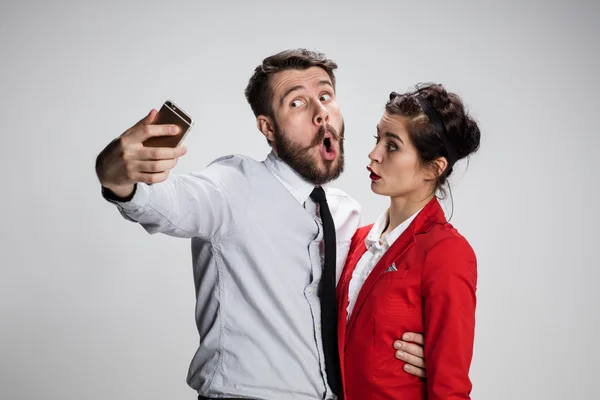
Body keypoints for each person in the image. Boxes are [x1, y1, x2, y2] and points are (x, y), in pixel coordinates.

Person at [95, 49, 427, 400]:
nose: (320, 114)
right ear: (267, 127)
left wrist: (402, 348)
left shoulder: (346, 214)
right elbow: (164, 202)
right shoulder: (234, 186)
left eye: (325, 96)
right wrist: (116, 175)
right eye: (297, 103)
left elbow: (356, 310)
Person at [337, 83, 480, 399]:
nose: (373, 155)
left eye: (392, 146)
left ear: (434, 167)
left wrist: (436, 361)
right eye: (378, 139)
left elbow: (451, 388)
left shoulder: (446, 253)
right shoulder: (358, 240)